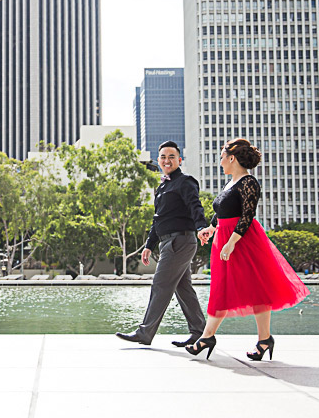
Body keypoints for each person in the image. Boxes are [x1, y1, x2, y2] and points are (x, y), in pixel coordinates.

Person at [186, 138, 309, 361]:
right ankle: (210, 337)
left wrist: (231, 242)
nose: (220, 161)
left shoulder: (248, 182)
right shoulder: (230, 184)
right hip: (224, 239)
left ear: (232, 158)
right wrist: (210, 229)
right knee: (221, 288)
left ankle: (258, 339)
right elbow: (221, 212)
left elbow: (247, 215)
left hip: (242, 241)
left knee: (256, 289)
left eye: (222, 157)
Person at [116, 141, 209, 347]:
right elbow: (158, 219)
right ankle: (200, 332)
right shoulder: (163, 186)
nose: (167, 160)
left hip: (180, 240)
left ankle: (145, 333)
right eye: (163, 157)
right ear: (159, 161)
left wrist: (202, 227)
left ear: (179, 160)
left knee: (160, 284)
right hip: (168, 241)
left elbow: (196, 206)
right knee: (183, 288)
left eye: (171, 157)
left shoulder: (186, 182)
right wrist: (149, 244)